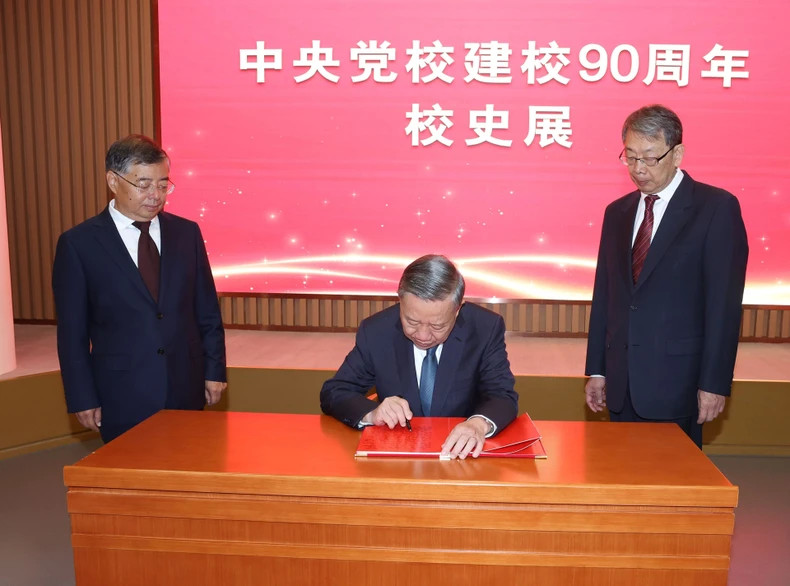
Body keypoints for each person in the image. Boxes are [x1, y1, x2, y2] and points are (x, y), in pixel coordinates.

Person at [584, 105, 748, 447]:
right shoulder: (617, 213)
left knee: (673, 487)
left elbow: (724, 307)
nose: (639, 169)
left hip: (678, 383)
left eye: (649, 158)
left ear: (678, 154)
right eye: (630, 158)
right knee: (620, 482)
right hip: (621, 380)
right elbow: (606, 296)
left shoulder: (716, 208)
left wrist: (714, 382)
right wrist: (597, 369)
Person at [52, 134, 227, 442]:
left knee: (186, 474)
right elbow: (72, 333)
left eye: (163, 184)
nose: (155, 195)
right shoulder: (79, 245)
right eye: (143, 184)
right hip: (121, 392)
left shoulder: (186, 233)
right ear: (113, 181)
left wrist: (214, 370)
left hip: (184, 386)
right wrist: (82, 396)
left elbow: (207, 312)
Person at [320, 254, 519, 459]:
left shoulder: (485, 328)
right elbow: (335, 391)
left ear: (458, 309)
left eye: (437, 326)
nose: (423, 336)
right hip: (398, 457)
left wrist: (478, 424)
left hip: (463, 456)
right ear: (400, 301)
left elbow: (502, 396)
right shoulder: (377, 331)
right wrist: (373, 413)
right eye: (412, 321)